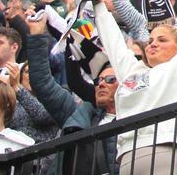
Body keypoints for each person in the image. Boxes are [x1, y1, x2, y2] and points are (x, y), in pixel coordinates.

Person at [93, 0, 177, 175]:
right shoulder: (133, 71)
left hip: (167, 150)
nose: (152, 44)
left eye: (162, 40)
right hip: (126, 158)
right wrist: (98, 4)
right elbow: (113, 43)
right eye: (151, 40)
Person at [25, 13, 118, 175]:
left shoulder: (138, 113)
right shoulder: (79, 115)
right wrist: (37, 35)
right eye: (98, 80)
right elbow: (43, 83)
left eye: (110, 79)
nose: (101, 83)